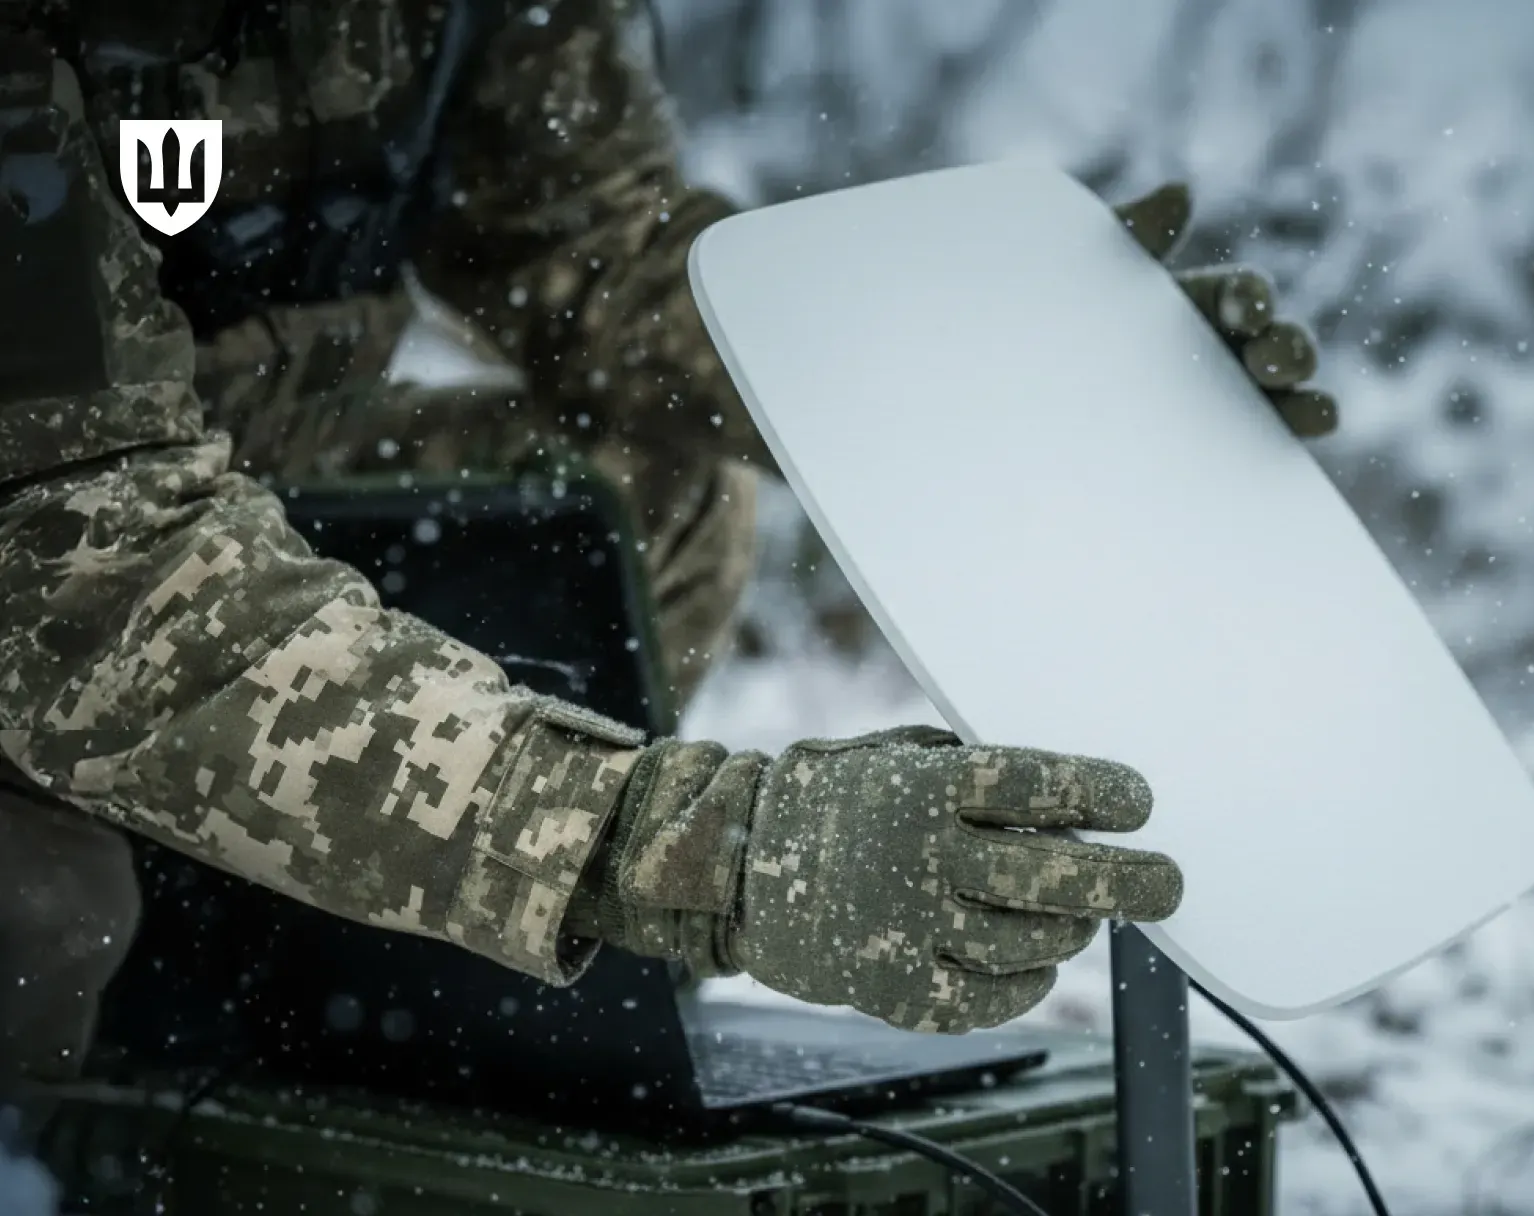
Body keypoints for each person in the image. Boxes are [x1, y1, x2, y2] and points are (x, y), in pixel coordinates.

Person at [0, 0, 1337, 1091]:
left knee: (645, 473)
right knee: (40, 915)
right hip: (65, 560)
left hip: (220, 492)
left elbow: (605, 261)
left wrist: (1005, 380)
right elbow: (83, 558)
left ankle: (433, 1003)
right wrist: (685, 853)